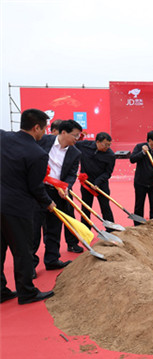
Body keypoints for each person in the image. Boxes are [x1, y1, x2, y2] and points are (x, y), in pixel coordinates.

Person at [1, 109, 56, 304]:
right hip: (17, 208)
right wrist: (48, 203)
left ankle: (1, 290)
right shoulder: (37, 153)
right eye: (44, 128)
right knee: (23, 250)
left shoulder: (3, 137)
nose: (45, 133)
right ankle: (26, 291)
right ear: (36, 127)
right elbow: (36, 187)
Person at [32, 120, 82, 275]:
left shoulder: (75, 153)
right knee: (33, 229)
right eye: (75, 135)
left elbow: (72, 174)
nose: (77, 139)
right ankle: (30, 266)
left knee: (54, 228)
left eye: (79, 136)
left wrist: (65, 186)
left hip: (57, 192)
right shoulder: (42, 141)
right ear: (63, 132)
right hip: (38, 190)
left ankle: (52, 260)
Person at [75, 132, 116, 229]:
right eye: (105, 144)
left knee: (105, 207)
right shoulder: (84, 146)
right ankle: (85, 230)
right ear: (97, 142)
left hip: (101, 184)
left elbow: (108, 173)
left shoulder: (110, 155)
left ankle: (111, 230)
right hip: (86, 183)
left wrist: (97, 182)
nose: (107, 147)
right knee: (86, 207)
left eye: (109, 145)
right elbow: (71, 145)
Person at [130, 131, 153, 224]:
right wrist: (142, 153)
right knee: (139, 204)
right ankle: (138, 224)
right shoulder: (140, 147)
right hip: (140, 182)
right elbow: (132, 159)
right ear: (150, 140)